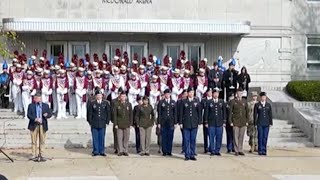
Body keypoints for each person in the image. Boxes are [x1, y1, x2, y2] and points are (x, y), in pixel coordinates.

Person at [27, 92, 52, 160]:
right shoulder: (31, 105)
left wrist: (47, 115)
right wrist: (35, 119)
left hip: (42, 125)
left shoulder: (45, 105)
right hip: (33, 125)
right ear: (34, 99)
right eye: (37, 98)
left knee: (42, 140)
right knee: (34, 141)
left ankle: (42, 154)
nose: (39, 100)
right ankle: (33, 154)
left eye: (40, 98)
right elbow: (29, 115)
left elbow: (50, 113)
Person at [179, 87, 202, 161]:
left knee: (193, 140)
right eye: (190, 92)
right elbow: (181, 113)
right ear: (188, 93)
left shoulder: (196, 101)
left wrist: (199, 122)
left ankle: (192, 154)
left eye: (192, 92)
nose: (191, 94)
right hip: (186, 123)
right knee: (186, 140)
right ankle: (187, 155)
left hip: (194, 124)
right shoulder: (183, 102)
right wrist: (180, 123)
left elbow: (199, 113)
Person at [87, 88, 111, 156]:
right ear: (95, 96)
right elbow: (89, 113)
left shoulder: (105, 103)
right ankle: (96, 151)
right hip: (94, 123)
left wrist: (107, 122)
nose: (99, 96)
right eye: (97, 95)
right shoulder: (92, 103)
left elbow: (108, 113)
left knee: (102, 137)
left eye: (100, 95)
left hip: (102, 123)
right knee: (95, 137)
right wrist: (90, 122)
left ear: (102, 96)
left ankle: (102, 151)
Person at [204, 88, 226, 156]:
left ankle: (217, 150)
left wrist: (224, 121)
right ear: (212, 94)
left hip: (219, 122)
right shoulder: (209, 102)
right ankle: (212, 150)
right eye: (215, 93)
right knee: (211, 137)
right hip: (211, 123)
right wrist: (206, 122)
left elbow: (224, 112)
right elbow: (206, 112)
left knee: (219, 137)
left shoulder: (221, 102)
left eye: (217, 93)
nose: (216, 94)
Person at [229, 88, 249, 156]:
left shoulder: (244, 101)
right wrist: (230, 121)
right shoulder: (232, 101)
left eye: (241, 93)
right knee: (235, 136)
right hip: (235, 121)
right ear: (236, 94)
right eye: (238, 93)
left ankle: (240, 149)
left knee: (241, 136)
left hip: (243, 121)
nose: (240, 94)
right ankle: (236, 150)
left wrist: (247, 120)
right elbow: (230, 112)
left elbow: (247, 112)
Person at [157, 89, 177, 156]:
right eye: (166, 94)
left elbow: (175, 113)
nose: (167, 95)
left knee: (170, 137)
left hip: (171, 122)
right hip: (163, 122)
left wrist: (175, 123)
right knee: (164, 137)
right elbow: (159, 113)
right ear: (164, 94)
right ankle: (164, 151)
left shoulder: (173, 102)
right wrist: (159, 123)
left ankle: (169, 151)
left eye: (168, 94)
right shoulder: (161, 102)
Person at [113, 91, 133, 156]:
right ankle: (120, 150)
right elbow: (115, 115)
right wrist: (115, 124)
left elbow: (131, 115)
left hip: (127, 123)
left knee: (126, 138)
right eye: (122, 96)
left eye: (124, 96)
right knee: (119, 138)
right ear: (120, 97)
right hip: (119, 123)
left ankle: (125, 150)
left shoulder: (129, 104)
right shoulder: (116, 104)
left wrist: (130, 123)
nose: (123, 97)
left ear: (126, 97)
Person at [254, 92, 273, 156]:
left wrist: (270, 123)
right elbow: (255, 115)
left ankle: (264, 150)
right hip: (260, 123)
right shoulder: (257, 105)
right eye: (262, 97)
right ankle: (260, 150)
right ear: (260, 97)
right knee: (260, 137)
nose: (263, 98)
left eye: (264, 97)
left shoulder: (268, 105)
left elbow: (270, 114)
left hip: (266, 123)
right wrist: (255, 123)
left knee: (265, 137)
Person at [201, 88, 213, 153]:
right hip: (205, 120)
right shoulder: (203, 101)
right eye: (209, 92)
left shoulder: (213, 100)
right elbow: (201, 110)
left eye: (211, 92)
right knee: (205, 135)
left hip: (212, 120)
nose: (210, 93)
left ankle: (211, 147)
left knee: (212, 134)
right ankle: (206, 148)